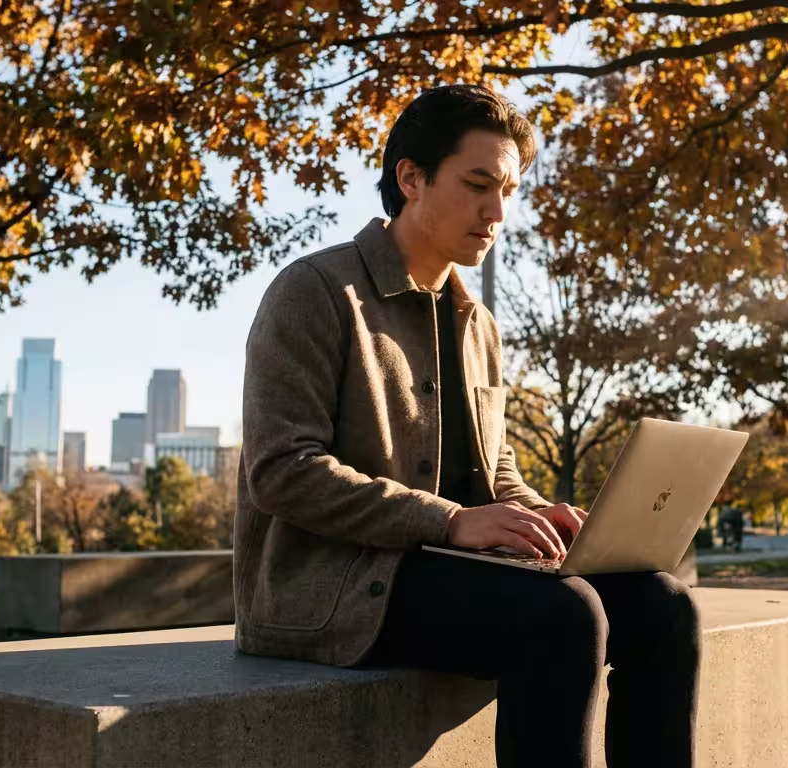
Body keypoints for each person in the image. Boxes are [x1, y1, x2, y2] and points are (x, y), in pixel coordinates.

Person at [234, 83, 700, 768]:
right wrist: (449, 520)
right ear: (412, 178)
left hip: (453, 570)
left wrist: (546, 518)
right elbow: (281, 470)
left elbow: (495, 468)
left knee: (663, 607)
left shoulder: (478, 325)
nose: (498, 212)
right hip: (337, 588)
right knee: (564, 615)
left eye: (508, 190)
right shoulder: (316, 292)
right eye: (479, 184)